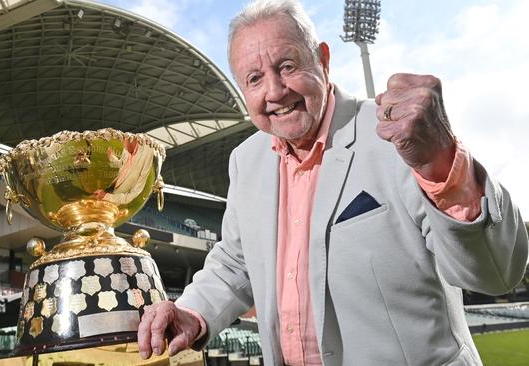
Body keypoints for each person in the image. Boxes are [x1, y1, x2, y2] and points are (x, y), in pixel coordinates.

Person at [136, 0, 529, 365]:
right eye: (255, 79)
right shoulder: (246, 160)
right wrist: (192, 311)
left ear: (323, 59)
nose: (275, 91)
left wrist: (445, 165)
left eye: (287, 66)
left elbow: (496, 273)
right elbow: (236, 262)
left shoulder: (398, 134)